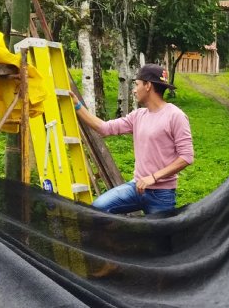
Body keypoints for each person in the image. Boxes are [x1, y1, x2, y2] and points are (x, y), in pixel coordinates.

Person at [73, 64, 193, 215]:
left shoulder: (176, 116)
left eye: (137, 84)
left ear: (148, 85)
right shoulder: (138, 115)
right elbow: (104, 128)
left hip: (162, 195)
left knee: (159, 238)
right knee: (97, 209)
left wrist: (154, 177)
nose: (134, 90)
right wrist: (77, 105)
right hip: (136, 188)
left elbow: (186, 157)